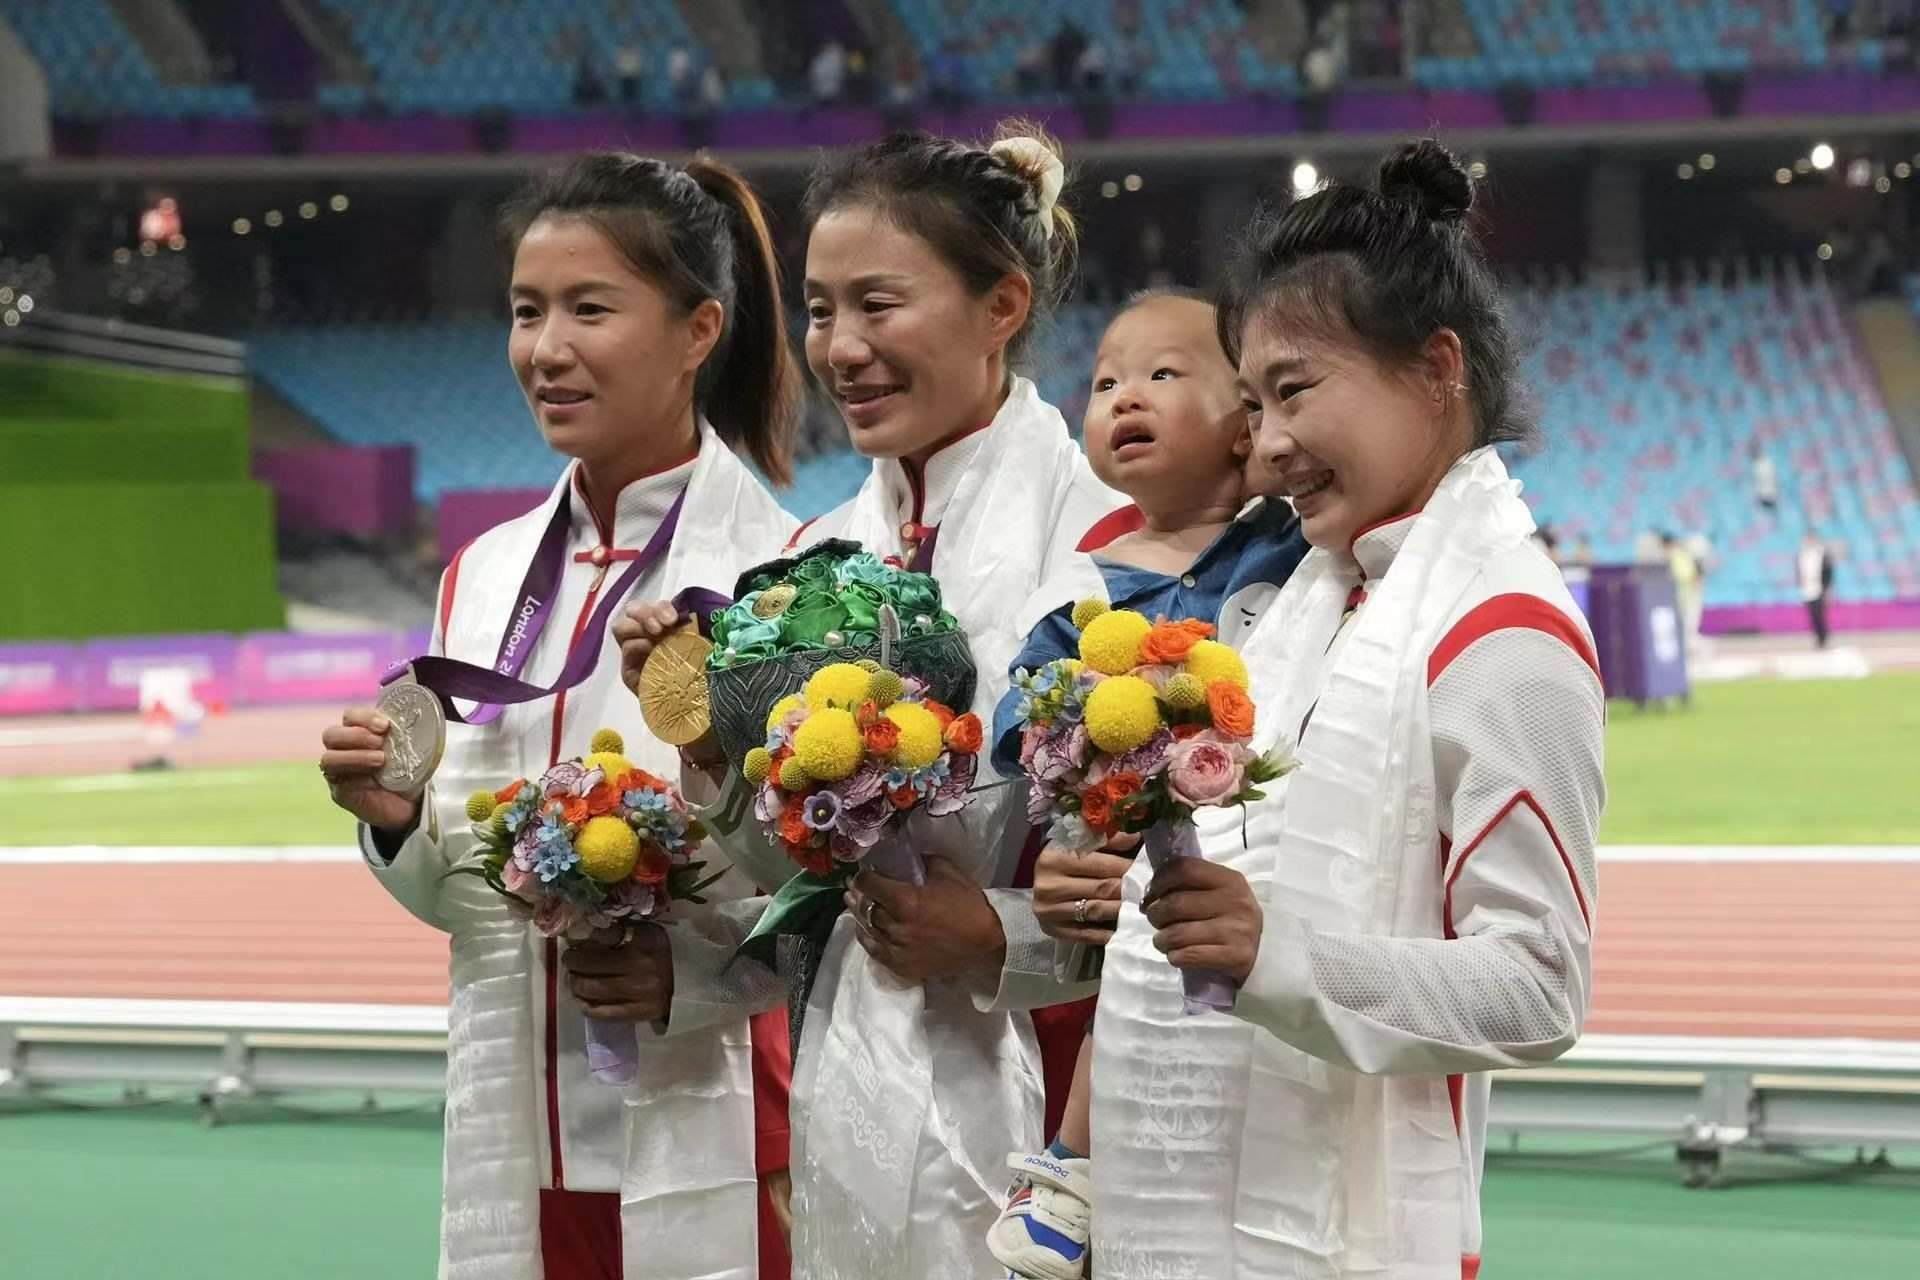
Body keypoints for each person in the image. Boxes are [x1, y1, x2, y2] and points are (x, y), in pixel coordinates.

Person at [1042, 138, 1604, 1278]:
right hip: (1188, 1217)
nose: (1269, 443)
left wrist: (1279, 958)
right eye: (1253, 403)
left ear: (1437, 368)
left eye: (1295, 391)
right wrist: (1127, 888)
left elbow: (1540, 986)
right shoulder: (1311, 599)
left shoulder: (1503, 632)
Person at [619, 124, 1133, 1279]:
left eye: (878, 304)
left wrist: (1001, 933)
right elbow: (789, 873)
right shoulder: (807, 562)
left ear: (1002, 304)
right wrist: (710, 742)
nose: (841, 348)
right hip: (849, 1090)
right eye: (818, 310)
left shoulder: (1113, 544)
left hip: (1065, 1120)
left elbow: (1197, 887)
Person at [316, 153, 804, 1280]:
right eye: (527, 310)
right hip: (514, 1138)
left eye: (590, 308)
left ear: (698, 330)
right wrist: (397, 821)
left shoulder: (784, 573)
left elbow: (836, 893)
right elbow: (461, 896)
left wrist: (693, 978)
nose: (545, 348)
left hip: (719, 1127)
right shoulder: (481, 576)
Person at [984, 290, 1309, 1280]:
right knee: (1132, 972)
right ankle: (1072, 1162)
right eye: (1104, 383)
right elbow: (1022, 718)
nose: (1126, 396)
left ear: (1244, 418)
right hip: (1127, 842)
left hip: (1268, 851)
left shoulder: (1291, 543)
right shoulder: (1082, 584)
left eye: (1164, 374)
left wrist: (1265, 452)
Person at [1800, 531, 1834, 648]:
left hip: (1820, 589)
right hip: (1807, 589)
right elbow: (1800, 571)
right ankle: (1817, 638)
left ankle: (1823, 638)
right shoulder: (1803, 555)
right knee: (1812, 616)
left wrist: (1828, 589)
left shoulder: (1822, 554)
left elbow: (1829, 572)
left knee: (1820, 615)